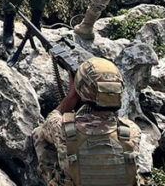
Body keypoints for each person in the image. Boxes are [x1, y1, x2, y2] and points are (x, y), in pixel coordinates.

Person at [33, 57, 141, 186]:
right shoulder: (131, 130)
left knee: (39, 133)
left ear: (81, 90)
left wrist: (72, 96)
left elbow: (52, 118)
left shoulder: (61, 128)